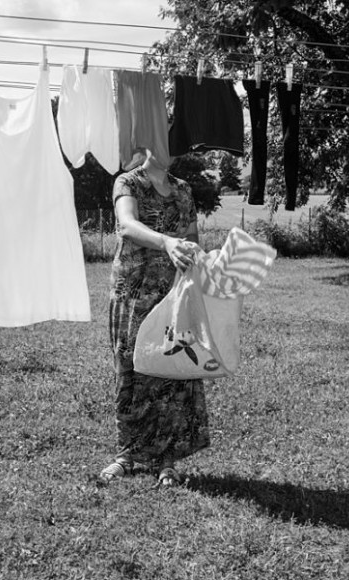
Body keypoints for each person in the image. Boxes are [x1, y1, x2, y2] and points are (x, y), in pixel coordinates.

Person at [99, 150, 210, 487]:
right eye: (165, 141)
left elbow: (191, 238)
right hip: (133, 290)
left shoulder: (183, 189)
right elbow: (127, 225)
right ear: (149, 143)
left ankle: (168, 461)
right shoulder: (128, 181)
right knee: (131, 365)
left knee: (172, 368)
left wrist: (199, 260)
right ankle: (127, 455)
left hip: (173, 292)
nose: (172, 151)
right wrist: (167, 242)